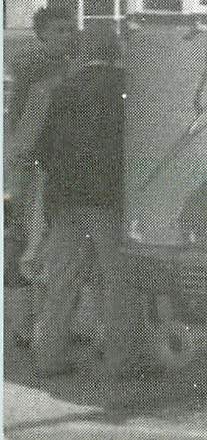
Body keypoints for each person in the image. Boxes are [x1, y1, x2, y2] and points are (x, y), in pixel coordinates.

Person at [28, 20, 146, 378]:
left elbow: (42, 148)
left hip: (64, 198)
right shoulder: (127, 87)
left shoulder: (63, 88)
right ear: (116, 49)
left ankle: (48, 357)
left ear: (83, 50)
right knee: (117, 281)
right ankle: (119, 361)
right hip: (107, 198)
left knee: (62, 279)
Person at [6, 7, 77, 347]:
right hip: (35, 169)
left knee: (48, 244)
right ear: (43, 35)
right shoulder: (38, 73)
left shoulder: (67, 68)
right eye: (60, 30)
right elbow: (24, 125)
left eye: (70, 29)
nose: (68, 36)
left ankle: (47, 323)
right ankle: (25, 325)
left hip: (50, 166)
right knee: (30, 242)